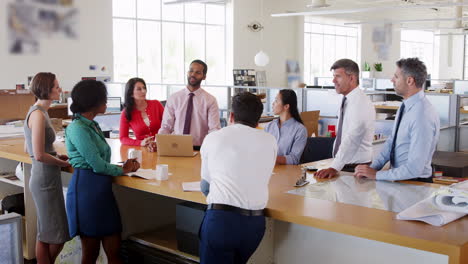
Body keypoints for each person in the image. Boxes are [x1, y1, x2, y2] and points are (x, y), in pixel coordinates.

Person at [65, 80, 140, 264]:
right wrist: (123, 169)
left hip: (102, 191)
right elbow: (97, 165)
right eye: (104, 99)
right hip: (87, 192)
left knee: (115, 251)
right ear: (93, 102)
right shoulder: (77, 128)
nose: (107, 102)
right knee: (90, 255)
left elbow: (101, 159)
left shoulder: (93, 125)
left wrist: (124, 167)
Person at [199, 92, 277, 264]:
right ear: (258, 121)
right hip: (255, 226)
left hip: (222, 222)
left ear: (231, 116)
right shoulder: (270, 140)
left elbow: (205, 186)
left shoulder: (213, 138)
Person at [355, 58, 440, 181]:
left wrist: (376, 175)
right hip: (400, 179)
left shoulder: (422, 115)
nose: (392, 80)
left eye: (396, 76)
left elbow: (415, 168)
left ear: (409, 80)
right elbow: (392, 142)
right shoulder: (405, 105)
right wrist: (372, 168)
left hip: (415, 183)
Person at [23, 72, 70, 263]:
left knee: (45, 233)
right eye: (57, 87)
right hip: (45, 180)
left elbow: (29, 148)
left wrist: (55, 155)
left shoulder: (37, 111)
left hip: (45, 177)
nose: (60, 90)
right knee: (58, 235)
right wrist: (62, 163)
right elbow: (39, 155)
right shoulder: (38, 114)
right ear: (47, 89)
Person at [316, 59, 375, 179]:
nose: (333, 81)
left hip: (356, 167)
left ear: (352, 78)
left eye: (338, 76)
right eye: (334, 76)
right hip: (344, 164)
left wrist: (334, 167)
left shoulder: (360, 103)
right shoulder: (347, 100)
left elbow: (352, 138)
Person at [158, 59, 220, 147]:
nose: (193, 74)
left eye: (198, 72)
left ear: (204, 76)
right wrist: (159, 144)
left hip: (199, 148)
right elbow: (166, 126)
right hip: (175, 147)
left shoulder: (210, 100)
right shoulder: (174, 98)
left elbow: (214, 129)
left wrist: (211, 148)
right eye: (191, 71)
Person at [120, 77, 164, 151]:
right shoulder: (126, 113)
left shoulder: (156, 104)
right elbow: (123, 138)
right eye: (139, 89)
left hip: (162, 146)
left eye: (144, 88)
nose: (143, 91)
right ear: (131, 94)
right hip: (143, 150)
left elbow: (169, 124)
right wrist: (140, 143)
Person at [264, 89, 307, 165]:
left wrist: (271, 157)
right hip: (269, 170)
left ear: (286, 106)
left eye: (276, 101)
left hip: (288, 173)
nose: (273, 103)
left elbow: (294, 159)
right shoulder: (269, 126)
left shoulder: (300, 129)